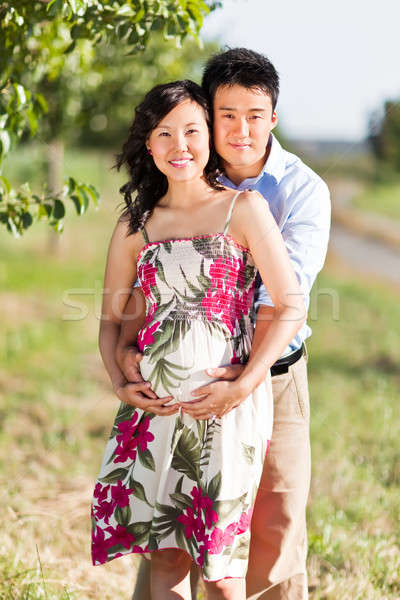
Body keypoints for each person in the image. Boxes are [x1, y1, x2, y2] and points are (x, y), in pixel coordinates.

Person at [117, 49, 331, 599]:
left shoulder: (300, 191)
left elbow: (281, 299)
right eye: (226, 115)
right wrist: (128, 356)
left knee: (272, 525)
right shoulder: (184, 174)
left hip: (273, 375)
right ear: (208, 116)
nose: (241, 130)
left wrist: (242, 382)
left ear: (273, 118)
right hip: (181, 391)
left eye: (255, 116)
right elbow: (135, 295)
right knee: (173, 531)